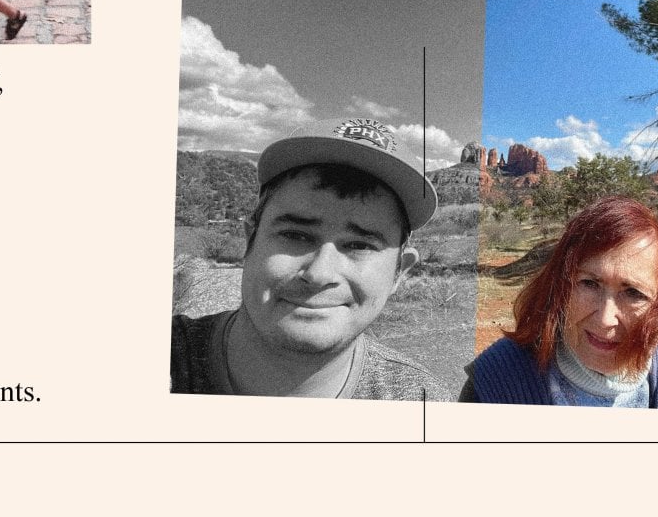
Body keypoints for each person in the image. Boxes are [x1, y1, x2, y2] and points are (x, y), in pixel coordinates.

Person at [171, 118, 450, 401]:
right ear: (249, 241)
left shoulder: (423, 401)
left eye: (359, 245)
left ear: (399, 273)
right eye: (295, 235)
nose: (319, 273)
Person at [461, 195, 658, 408]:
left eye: (634, 293)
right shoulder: (495, 382)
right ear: (561, 284)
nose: (605, 320)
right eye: (589, 284)